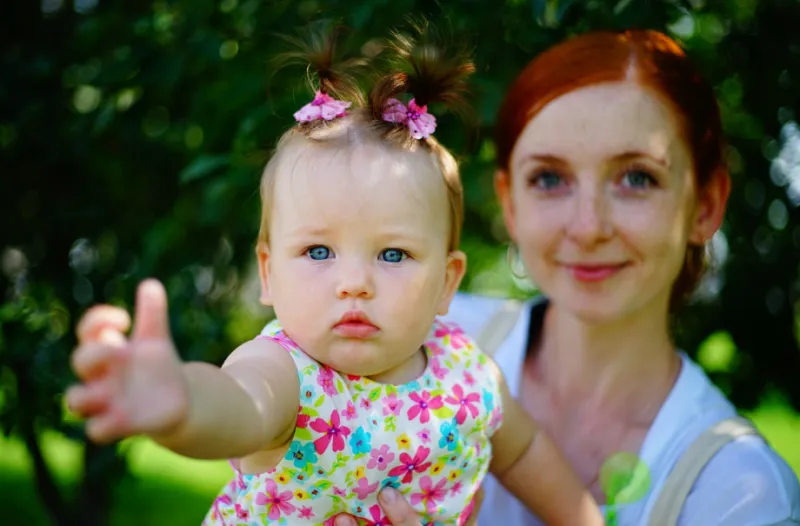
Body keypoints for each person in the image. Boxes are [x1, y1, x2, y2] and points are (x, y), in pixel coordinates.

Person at [65, 23, 603, 526]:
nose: (354, 283)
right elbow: (239, 405)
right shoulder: (288, 374)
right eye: (318, 251)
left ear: (447, 281)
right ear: (269, 273)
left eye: (393, 254)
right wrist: (182, 403)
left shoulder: (468, 374)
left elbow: (527, 453)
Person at [334, 28, 800, 526]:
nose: (588, 227)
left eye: (637, 177)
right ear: (511, 203)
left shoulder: (741, 492)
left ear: (705, 206)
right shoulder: (413, 342)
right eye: (549, 179)